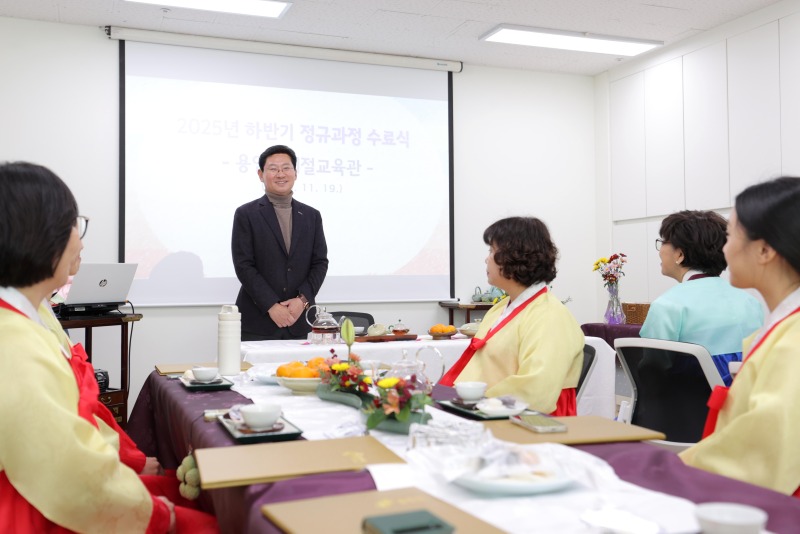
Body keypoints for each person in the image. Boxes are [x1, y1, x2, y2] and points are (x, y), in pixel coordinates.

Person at [0, 162, 217, 532]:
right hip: (39, 505)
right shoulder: (13, 344)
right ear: (40, 233)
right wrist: (160, 514)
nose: (81, 242)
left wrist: (126, 461)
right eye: (75, 226)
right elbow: (67, 470)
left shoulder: (32, 313)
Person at [679, 176, 800, 496]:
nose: (724, 248)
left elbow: (759, 450)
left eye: (730, 235)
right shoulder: (780, 325)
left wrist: (669, 471)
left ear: (763, 250)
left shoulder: (794, 343)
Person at [440, 217, 584, 415]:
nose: (486, 259)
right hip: (490, 408)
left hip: (527, 419)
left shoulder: (549, 316)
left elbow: (535, 388)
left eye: (492, 251)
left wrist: (475, 403)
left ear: (514, 256)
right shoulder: (500, 308)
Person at [640, 210, 764, 385]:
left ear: (679, 254)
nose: (660, 251)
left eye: (663, 242)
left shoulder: (667, 306)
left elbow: (651, 374)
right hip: (742, 405)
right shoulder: (750, 302)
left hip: (689, 408)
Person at [232, 145, 329, 341]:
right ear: (261, 174)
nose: (280, 174)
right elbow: (244, 265)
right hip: (258, 322)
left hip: (299, 320)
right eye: (273, 168)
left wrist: (302, 301)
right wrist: (271, 305)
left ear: (295, 173)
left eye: (286, 168)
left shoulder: (311, 215)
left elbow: (320, 263)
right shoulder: (246, 214)